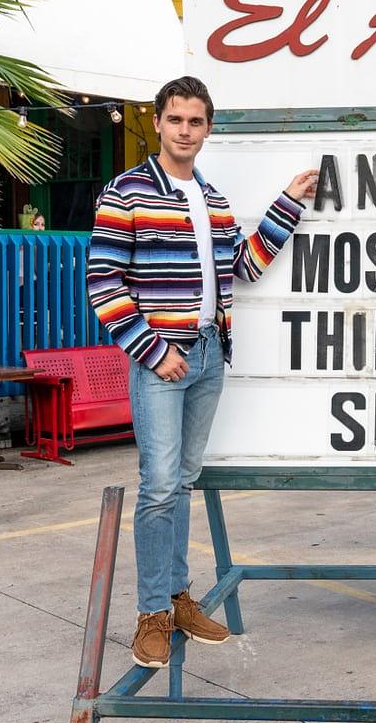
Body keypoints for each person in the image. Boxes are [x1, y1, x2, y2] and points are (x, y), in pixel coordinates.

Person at [86, 76, 317, 669]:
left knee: (182, 482)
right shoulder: (126, 192)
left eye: (195, 121)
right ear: (157, 123)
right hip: (162, 359)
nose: (185, 130)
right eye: (176, 119)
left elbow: (245, 266)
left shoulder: (212, 199)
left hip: (211, 354)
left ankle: (177, 597)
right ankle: (151, 614)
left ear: (207, 128)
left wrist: (288, 201)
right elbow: (103, 282)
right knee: (159, 485)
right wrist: (152, 349)